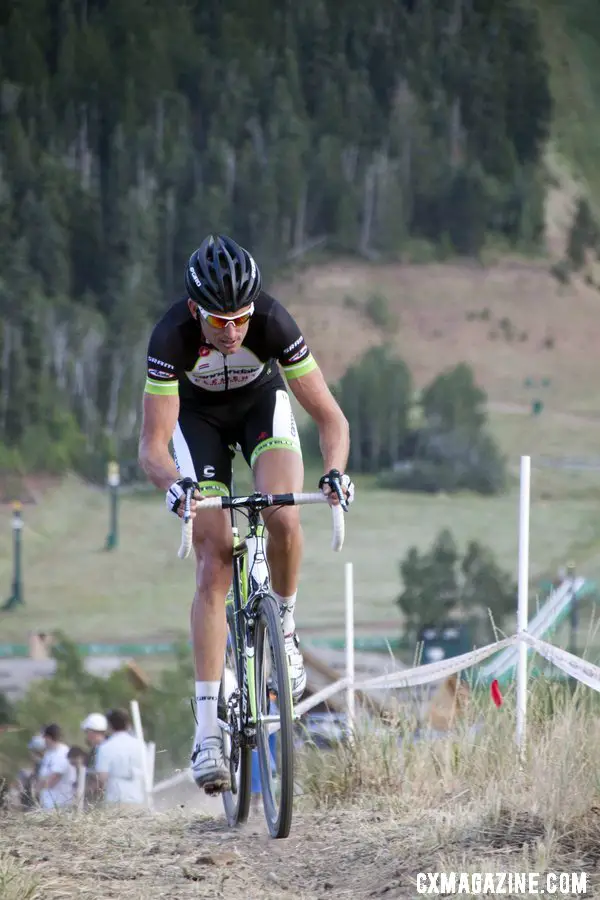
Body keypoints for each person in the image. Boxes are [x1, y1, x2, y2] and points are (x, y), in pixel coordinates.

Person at [138, 234, 353, 794]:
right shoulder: (171, 337)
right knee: (215, 558)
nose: (232, 331)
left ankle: (283, 621)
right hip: (198, 425)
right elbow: (152, 447)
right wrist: (177, 487)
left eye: (241, 319)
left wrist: (334, 472)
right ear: (195, 311)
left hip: (261, 408)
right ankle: (208, 731)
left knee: (283, 514)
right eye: (219, 321)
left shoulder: (274, 323)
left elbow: (332, 419)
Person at [94, 708, 145, 806]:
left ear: (109, 725)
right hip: (137, 797)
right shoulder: (140, 745)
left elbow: (102, 777)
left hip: (115, 798)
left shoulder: (106, 747)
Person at [37, 724, 76, 809]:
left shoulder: (63, 753)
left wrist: (36, 789)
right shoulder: (49, 753)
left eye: (44, 737)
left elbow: (53, 780)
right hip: (47, 804)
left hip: (59, 806)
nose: (43, 740)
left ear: (49, 737)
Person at [80, 712, 108, 806]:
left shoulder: (104, 750)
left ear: (92, 732)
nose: (86, 735)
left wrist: (83, 792)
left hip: (102, 801)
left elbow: (101, 779)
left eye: (87, 732)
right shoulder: (95, 750)